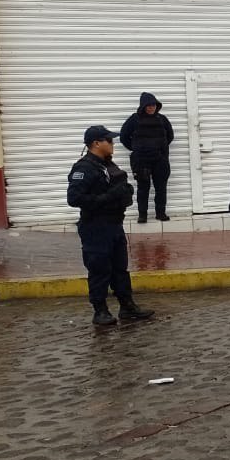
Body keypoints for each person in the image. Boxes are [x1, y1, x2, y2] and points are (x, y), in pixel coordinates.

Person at [67, 125, 156, 327]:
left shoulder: (107, 164)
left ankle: (127, 306)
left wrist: (125, 192)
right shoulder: (84, 168)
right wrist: (108, 197)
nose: (113, 144)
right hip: (96, 226)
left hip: (115, 224)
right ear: (96, 143)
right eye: (109, 140)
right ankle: (100, 310)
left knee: (120, 269)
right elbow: (74, 198)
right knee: (99, 269)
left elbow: (116, 186)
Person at [120, 92, 175, 224]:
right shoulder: (134, 119)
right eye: (148, 106)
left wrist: (160, 148)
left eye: (153, 105)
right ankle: (142, 215)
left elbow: (170, 136)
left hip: (160, 160)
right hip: (141, 160)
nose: (151, 108)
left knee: (161, 187)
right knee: (143, 188)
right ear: (143, 106)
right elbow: (123, 137)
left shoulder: (162, 119)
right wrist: (136, 148)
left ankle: (161, 213)